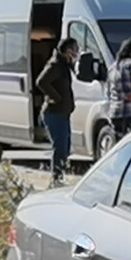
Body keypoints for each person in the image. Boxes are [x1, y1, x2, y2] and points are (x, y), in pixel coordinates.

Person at [36, 37, 79, 186]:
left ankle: (59, 176)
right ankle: (56, 179)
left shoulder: (65, 65)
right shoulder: (55, 65)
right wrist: (56, 97)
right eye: (74, 48)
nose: (76, 52)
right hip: (54, 113)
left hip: (63, 113)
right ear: (66, 50)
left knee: (65, 147)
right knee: (59, 146)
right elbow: (41, 82)